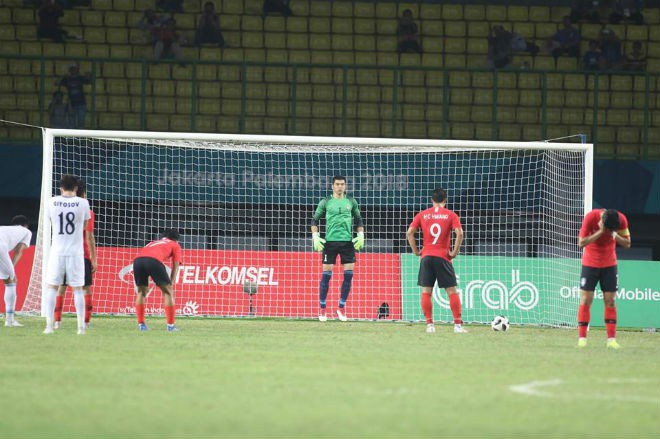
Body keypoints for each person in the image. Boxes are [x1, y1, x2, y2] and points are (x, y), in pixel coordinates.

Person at [406, 188, 466, 334]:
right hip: (443, 256)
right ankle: (457, 326)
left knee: (426, 291)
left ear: (432, 200)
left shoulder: (423, 214)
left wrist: (415, 251)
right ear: (445, 200)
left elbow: (409, 233)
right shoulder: (451, 215)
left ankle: (430, 325)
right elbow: (460, 234)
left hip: (426, 257)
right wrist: (454, 252)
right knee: (451, 291)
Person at [311, 176, 364, 322]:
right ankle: (322, 309)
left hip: (347, 243)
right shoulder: (326, 202)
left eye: (342, 184)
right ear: (332, 186)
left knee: (348, 276)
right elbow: (314, 220)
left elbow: (359, 219)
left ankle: (341, 308)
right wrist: (315, 236)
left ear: (345, 186)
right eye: (337, 184)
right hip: (330, 243)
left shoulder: (351, 201)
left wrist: (361, 234)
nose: (340, 186)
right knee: (326, 275)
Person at [42, 175, 90, 335]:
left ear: (60, 188)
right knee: (78, 289)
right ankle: (81, 327)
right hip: (76, 252)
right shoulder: (83, 203)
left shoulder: (51, 202)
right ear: (76, 188)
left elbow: (51, 221)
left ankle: (49, 326)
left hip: (57, 251)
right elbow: (84, 226)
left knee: (52, 287)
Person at [577, 208, 631, 349]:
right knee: (585, 300)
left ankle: (611, 340)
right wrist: (600, 231)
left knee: (610, 301)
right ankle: (582, 339)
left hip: (609, 264)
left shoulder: (621, 219)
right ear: (601, 219)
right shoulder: (590, 217)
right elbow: (581, 243)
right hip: (590, 263)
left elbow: (627, 243)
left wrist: (614, 234)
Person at [54, 179, 96, 330]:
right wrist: (94, 259)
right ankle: (86, 322)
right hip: (81, 255)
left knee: (61, 287)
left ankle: (57, 321)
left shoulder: (59, 208)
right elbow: (90, 237)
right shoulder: (87, 211)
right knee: (84, 288)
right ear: (83, 193)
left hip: (61, 253)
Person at [133, 229, 182, 331]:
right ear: (176, 239)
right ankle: (170, 326)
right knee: (168, 292)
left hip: (138, 261)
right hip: (153, 261)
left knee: (141, 292)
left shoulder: (153, 242)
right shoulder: (175, 244)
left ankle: (141, 325)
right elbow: (176, 265)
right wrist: (171, 282)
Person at [0, 215, 32, 327]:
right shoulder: (26, 231)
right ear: (25, 225)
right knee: (11, 281)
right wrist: (12, 269)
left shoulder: (5, 229)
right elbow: (18, 251)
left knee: (7, 278)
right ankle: (9, 320)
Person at [57, 63, 92, 129]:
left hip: (81, 102)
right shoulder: (67, 79)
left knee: (81, 122)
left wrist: (89, 75)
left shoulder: (80, 78)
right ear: (69, 70)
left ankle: (80, 137)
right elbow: (56, 83)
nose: (73, 70)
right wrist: (62, 76)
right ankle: (72, 138)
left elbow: (89, 82)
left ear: (77, 69)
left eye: (74, 68)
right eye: (72, 68)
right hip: (71, 103)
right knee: (71, 122)